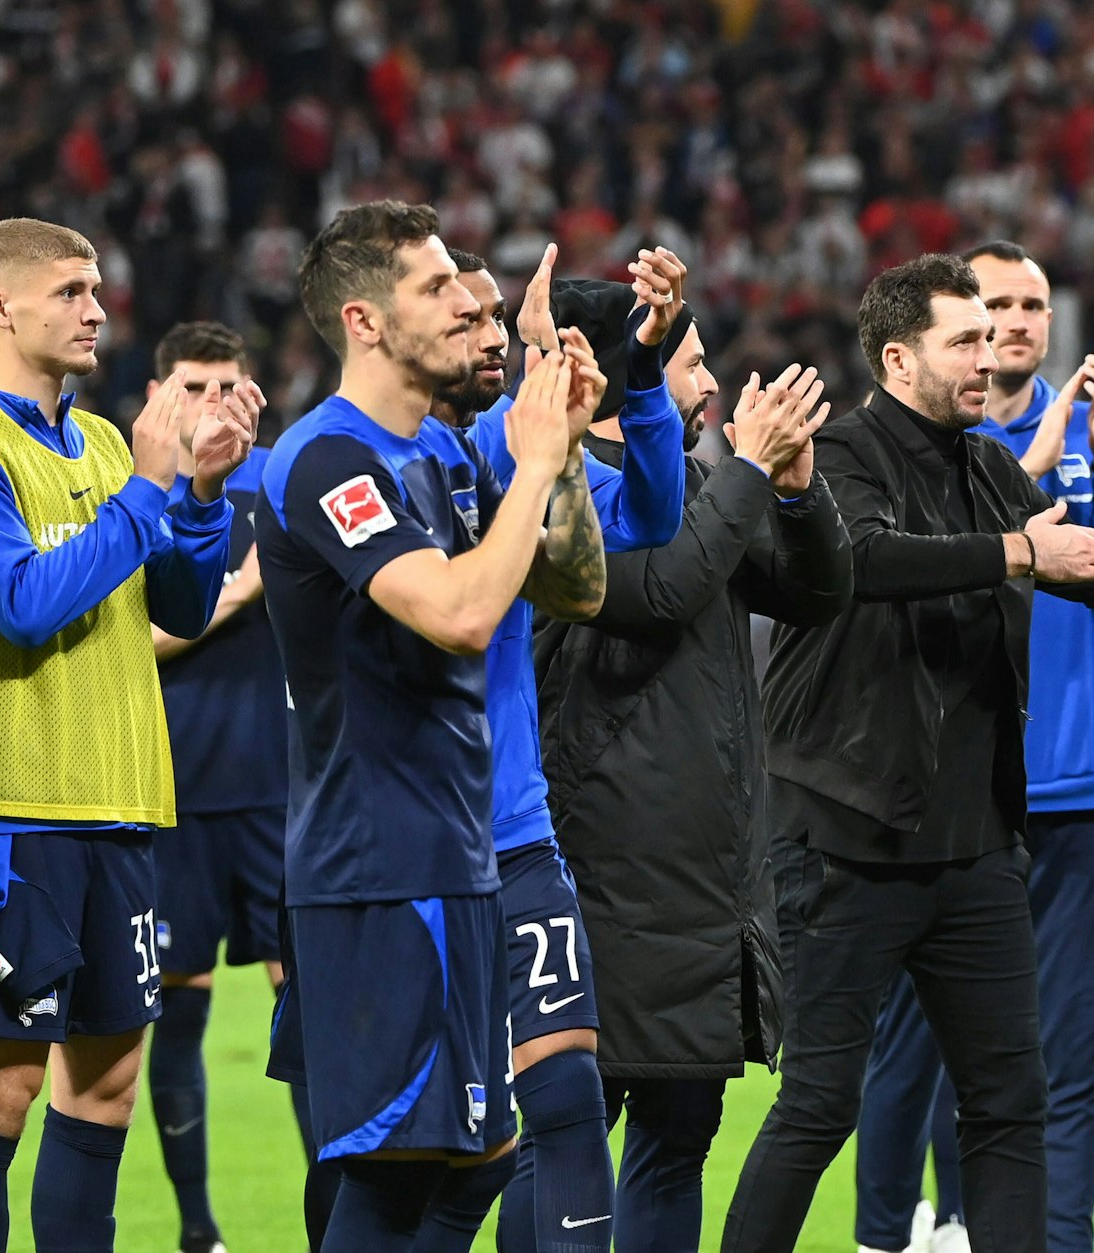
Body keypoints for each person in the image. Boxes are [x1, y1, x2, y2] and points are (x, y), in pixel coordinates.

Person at [722, 253, 1094, 1253]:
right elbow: (862, 562)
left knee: (1010, 1103)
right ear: (897, 356)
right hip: (844, 840)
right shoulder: (837, 455)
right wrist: (1020, 550)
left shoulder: (982, 468)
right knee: (818, 1105)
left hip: (974, 849)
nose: (991, 356)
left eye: (992, 336)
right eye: (964, 341)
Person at [0, 216, 254, 1252]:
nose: (97, 308)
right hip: (16, 816)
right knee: (1, 1090)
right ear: (0, 306)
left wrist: (196, 494)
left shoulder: (106, 441)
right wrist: (148, 492)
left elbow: (183, 607)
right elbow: (19, 600)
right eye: (69, 290)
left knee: (104, 1092)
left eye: (97, 289)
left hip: (125, 807)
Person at [256, 200, 590, 1252]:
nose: (466, 304)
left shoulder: (437, 457)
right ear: (363, 319)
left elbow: (576, 585)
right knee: (402, 1164)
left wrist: (564, 450)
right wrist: (530, 464)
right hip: (379, 861)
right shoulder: (323, 461)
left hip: (457, 851)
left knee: (476, 1153)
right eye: (437, 287)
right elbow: (458, 612)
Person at [852, 239, 1094, 1253]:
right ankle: (886, 1233)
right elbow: (905, 557)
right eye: (993, 309)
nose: (1017, 325)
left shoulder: (1093, 429)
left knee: (1062, 1052)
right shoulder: (939, 441)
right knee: (908, 1045)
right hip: (946, 787)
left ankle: (1021, 1235)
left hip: (1076, 778)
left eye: (1031, 306)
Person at [533, 322, 852, 1250]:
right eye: (693, 363)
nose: (714, 384)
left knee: (679, 1143)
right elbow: (660, 593)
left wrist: (795, 494)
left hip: (708, 881)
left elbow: (818, 596)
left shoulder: (708, 484)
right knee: (562, 1140)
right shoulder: (565, 492)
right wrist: (750, 470)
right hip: (602, 872)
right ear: (622, 383)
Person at [420, 244, 691, 1253]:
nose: (489, 335)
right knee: (424, 1147)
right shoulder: (360, 462)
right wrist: (541, 388)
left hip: (518, 836)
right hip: (396, 853)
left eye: (499, 317)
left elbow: (653, 515)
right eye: (466, 317)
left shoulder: (510, 454)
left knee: (567, 1098)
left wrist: (637, 372)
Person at [140, 320, 293, 1253]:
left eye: (227, 387)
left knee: (312, 1011)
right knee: (180, 1013)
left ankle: (337, 1222)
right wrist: (239, 590)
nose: (211, 406)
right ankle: (200, 1231)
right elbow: (130, 635)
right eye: (192, 388)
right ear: (160, 394)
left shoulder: (283, 481)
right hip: (176, 795)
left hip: (285, 791)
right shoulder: (138, 489)